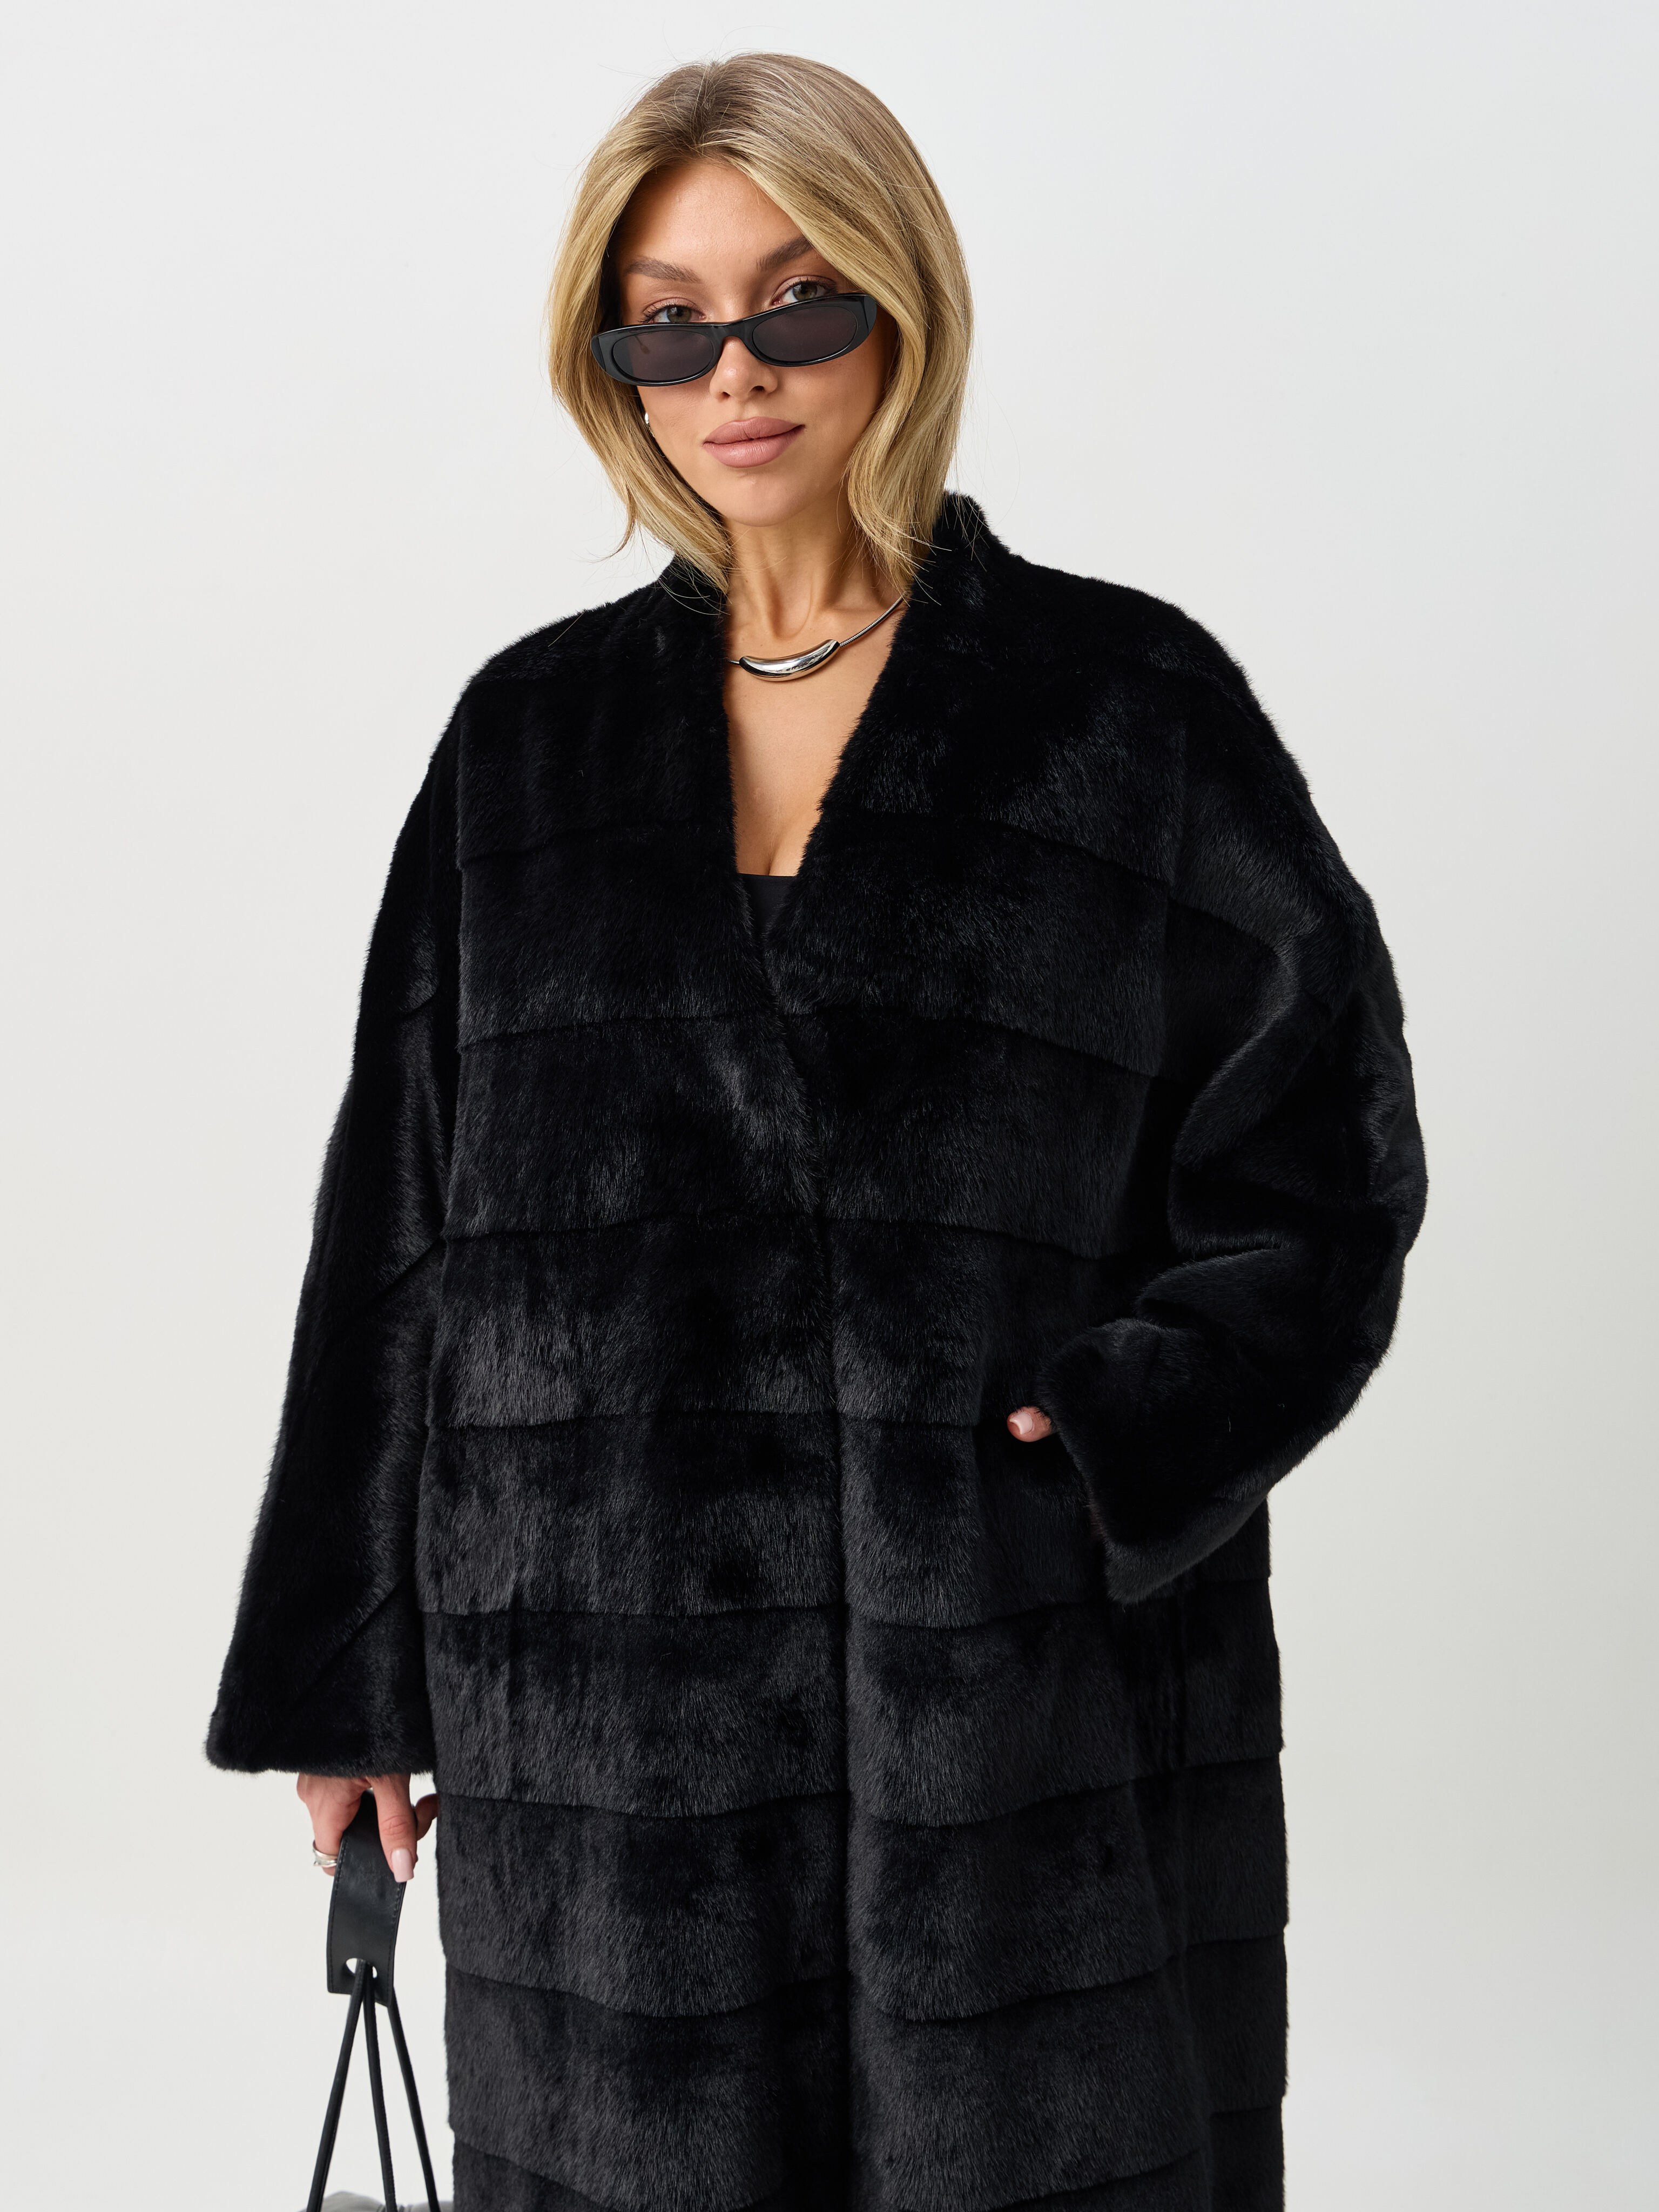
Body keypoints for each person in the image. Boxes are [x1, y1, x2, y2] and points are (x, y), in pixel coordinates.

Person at [208, 51, 1426, 2212]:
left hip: (1014, 1696)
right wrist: (345, 1675)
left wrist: (1108, 1437)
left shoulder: (1122, 710)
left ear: (900, 298)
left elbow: (1320, 1166)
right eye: (666, 322)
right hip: (599, 1714)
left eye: (797, 300)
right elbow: (391, 1229)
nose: (736, 372)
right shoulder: (528, 741)